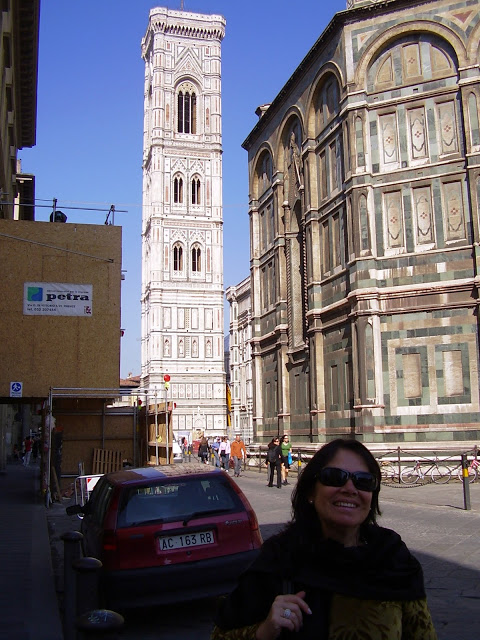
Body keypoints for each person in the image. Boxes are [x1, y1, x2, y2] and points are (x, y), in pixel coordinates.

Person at [211, 438, 437, 640]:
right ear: (311, 491)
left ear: (372, 496)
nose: (350, 489)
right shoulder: (279, 560)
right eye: (334, 478)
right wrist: (264, 631)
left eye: (363, 481)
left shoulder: (393, 560)